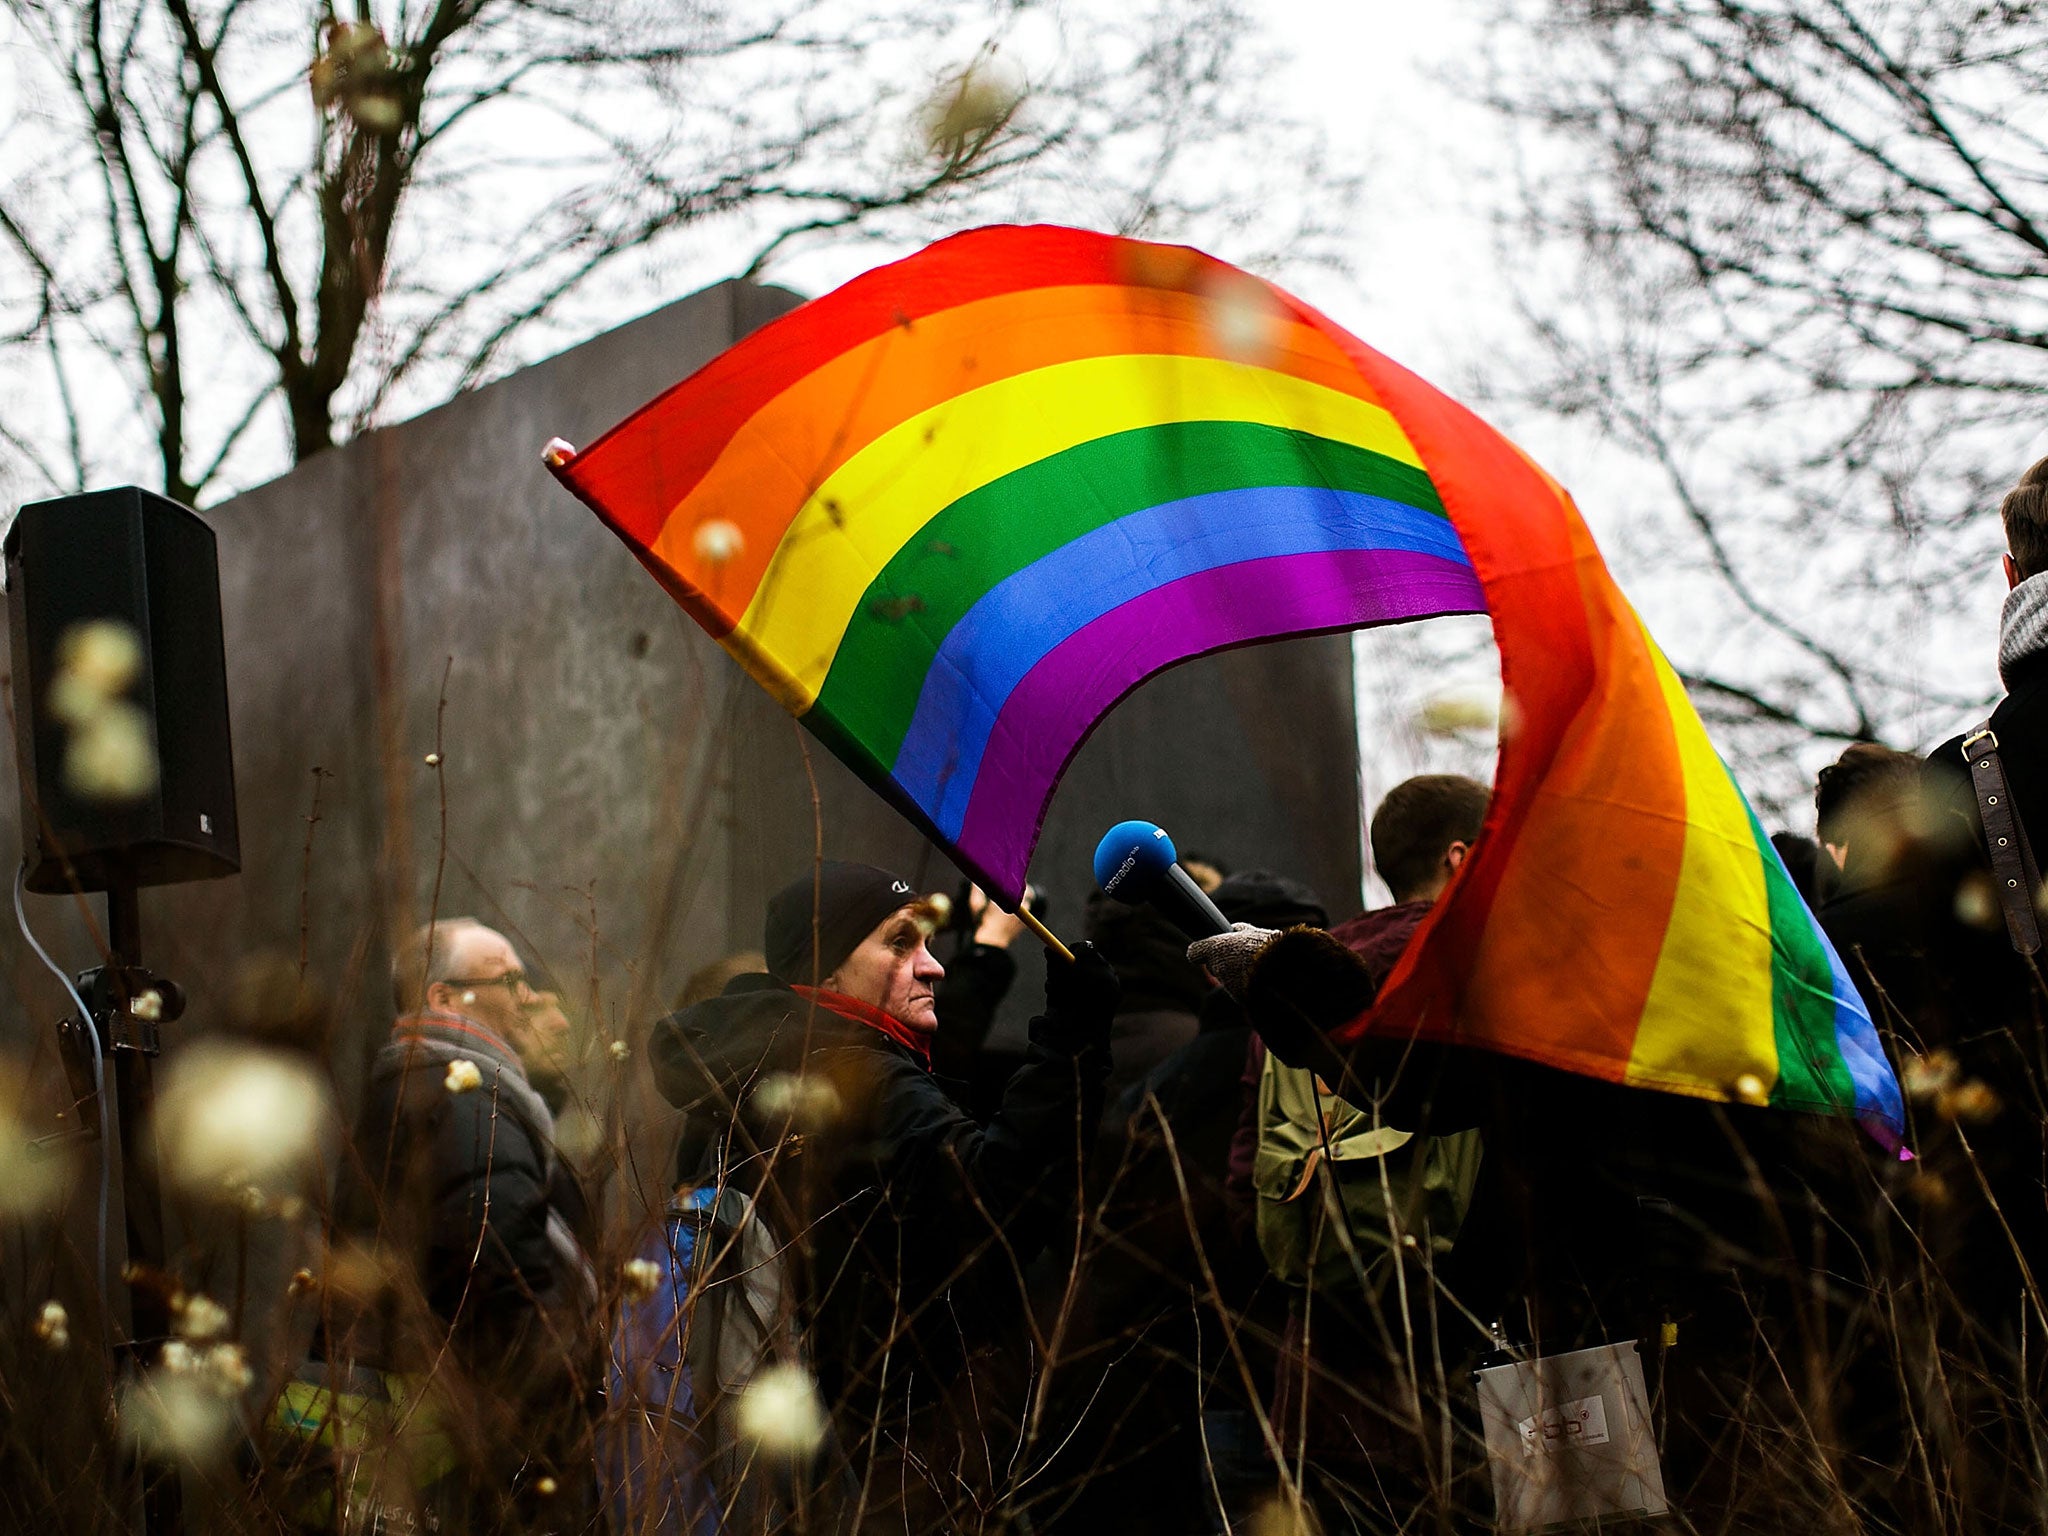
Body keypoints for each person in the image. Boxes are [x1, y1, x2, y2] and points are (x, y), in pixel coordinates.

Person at [648, 860, 1117, 1527]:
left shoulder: (748, 1075)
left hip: (779, 1469)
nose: (934, 967)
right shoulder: (864, 1080)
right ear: (827, 967)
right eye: (901, 943)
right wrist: (1074, 1040)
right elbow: (1003, 1207)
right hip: (890, 1469)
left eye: (928, 943)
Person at [308, 917, 597, 1529]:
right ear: (441, 997)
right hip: (468, 1438)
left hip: (435, 1425)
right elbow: (499, 1273)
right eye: (509, 980)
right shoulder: (461, 1098)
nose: (527, 996)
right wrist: (547, 1410)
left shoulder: (424, 1090)